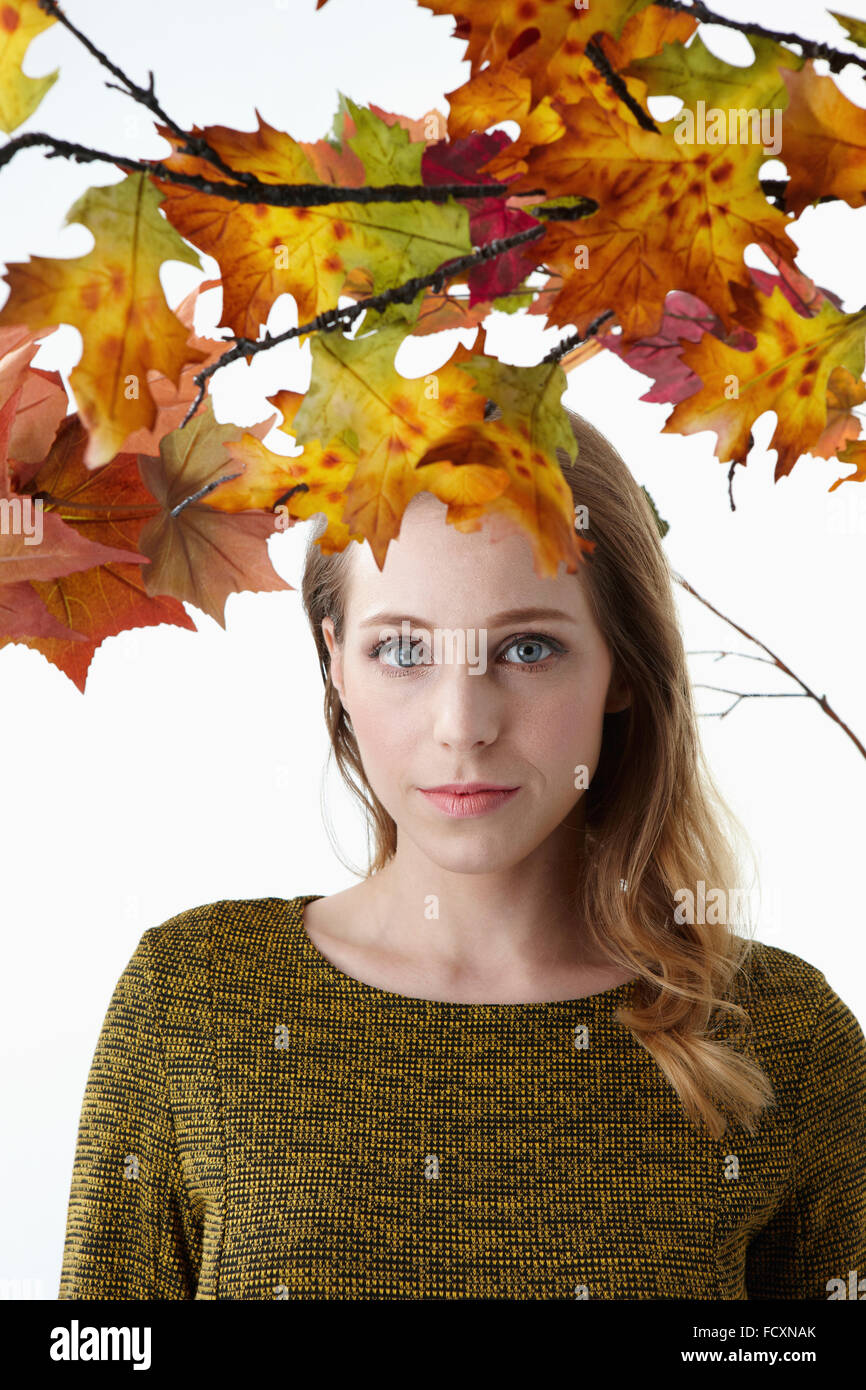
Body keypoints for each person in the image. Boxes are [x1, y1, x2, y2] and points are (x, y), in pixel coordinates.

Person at [58, 405, 865, 1300]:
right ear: (335, 660)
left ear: (622, 668)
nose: (463, 727)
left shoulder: (778, 1038)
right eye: (403, 649)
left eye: (528, 648)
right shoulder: (195, 1000)